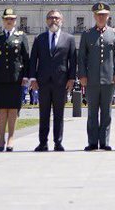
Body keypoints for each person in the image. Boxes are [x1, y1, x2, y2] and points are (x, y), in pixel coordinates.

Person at [28, 9, 77, 152]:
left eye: (56, 18)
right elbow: (33, 60)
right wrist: (33, 78)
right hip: (42, 81)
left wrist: (71, 78)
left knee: (59, 114)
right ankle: (43, 142)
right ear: (46, 21)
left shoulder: (69, 39)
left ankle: (58, 142)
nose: (53, 20)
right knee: (43, 113)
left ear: (61, 20)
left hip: (61, 82)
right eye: (50, 18)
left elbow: (72, 61)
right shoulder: (39, 38)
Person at [78, 2, 115, 151]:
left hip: (109, 79)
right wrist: (83, 75)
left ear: (108, 16)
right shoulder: (87, 34)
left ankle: (104, 142)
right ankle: (92, 142)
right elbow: (81, 57)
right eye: (98, 15)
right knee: (92, 112)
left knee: (106, 112)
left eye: (104, 15)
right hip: (91, 80)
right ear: (94, 16)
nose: (101, 17)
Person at [0, 7, 30, 152]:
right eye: (7, 19)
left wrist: (25, 76)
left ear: (15, 21)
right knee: (2, 110)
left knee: (13, 110)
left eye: (12, 19)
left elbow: (26, 58)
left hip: (15, 78)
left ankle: (11, 138)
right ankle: (1, 139)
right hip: (0, 78)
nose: (9, 21)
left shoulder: (21, 36)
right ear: (3, 21)